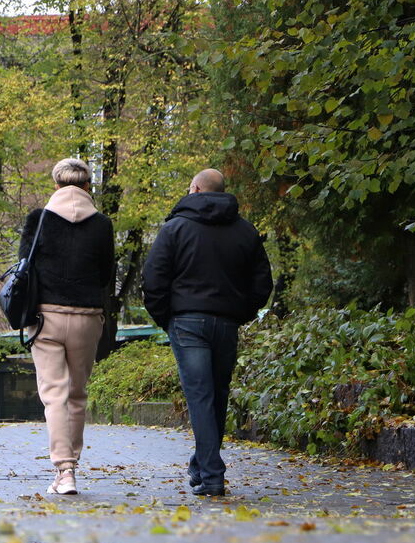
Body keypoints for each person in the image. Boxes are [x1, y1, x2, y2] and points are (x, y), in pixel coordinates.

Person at [142, 168, 272, 497]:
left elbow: (153, 279)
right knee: (216, 397)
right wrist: (240, 313)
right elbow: (262, 284)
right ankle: (202, 466)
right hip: (226, 323)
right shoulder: (245, 231)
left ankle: (212, 474)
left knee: (200, 397)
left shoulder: (175, 229)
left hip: (187, 322)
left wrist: (166, 318)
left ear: (196, 189)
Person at [19, 158, 115, 495]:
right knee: (77, 394)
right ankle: (72, 466)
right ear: (88, 186)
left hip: (46, 318)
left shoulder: (39, 219)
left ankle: (64, 472)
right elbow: (106, 275)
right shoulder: (103, 225)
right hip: (87, 318)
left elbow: (23, 266)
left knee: (54, 396)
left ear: (57, 185)